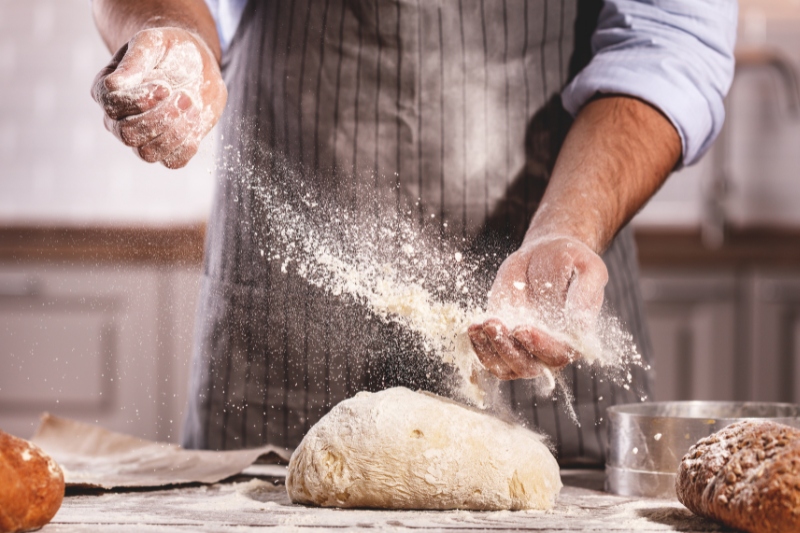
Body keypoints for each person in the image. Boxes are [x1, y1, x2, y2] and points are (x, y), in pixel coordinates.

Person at [91, 0, 736, 464]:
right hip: (283, 325)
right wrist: (170, 33)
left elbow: (670, 39)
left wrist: (568, 224)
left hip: (544, 287)